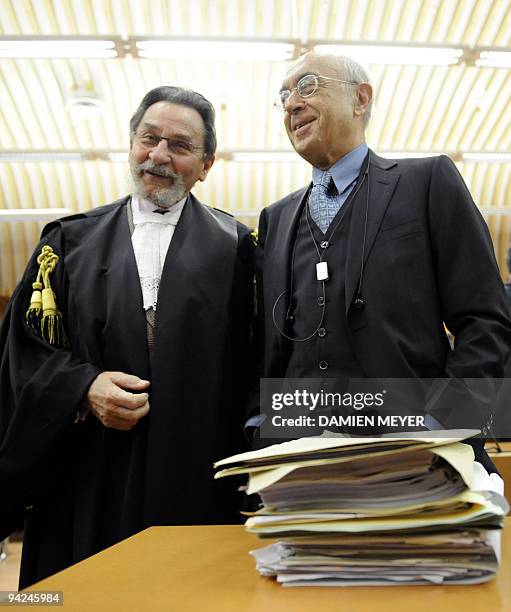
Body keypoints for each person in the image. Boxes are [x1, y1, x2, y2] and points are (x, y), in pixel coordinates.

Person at [0, 86, 254, 587]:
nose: (158, 155)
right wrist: (82, 387)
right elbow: (22, 354)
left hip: (197, 477)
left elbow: (261, 364)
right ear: (130, 143)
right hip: (88, 475)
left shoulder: (243, 253)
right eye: (148, 138)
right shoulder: (65, 244)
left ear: (206, 164)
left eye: (179, 146)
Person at [251, 52, 511, 466]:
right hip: (302, 462)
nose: (291, 104)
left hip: (417, 453)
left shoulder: (427, 182)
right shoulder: (277, 219)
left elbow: (485, 319)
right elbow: (269, 350)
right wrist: (262, 423)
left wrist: (443, 427)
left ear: (361, 99)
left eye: (307, 86)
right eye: (283, 95)